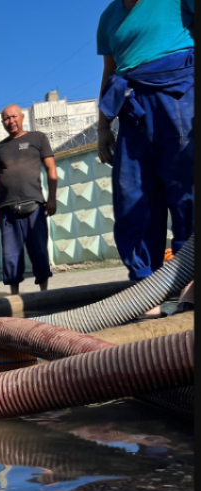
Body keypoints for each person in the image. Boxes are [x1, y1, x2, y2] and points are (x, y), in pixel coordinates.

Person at [96, 0, 194, 285]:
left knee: (187, 191)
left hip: (180, 98)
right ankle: (145, 285)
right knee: (132, 197)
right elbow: (109, 70)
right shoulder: (109, 17)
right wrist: (103, 125)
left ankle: (189, 280)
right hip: (133, 111)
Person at [0, 105, 58, 296]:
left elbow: (51, 168)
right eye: (6, 119)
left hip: (34, 206)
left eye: (14, 117)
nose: (11, 121)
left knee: (39, 252)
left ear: (22, 117)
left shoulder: (37, 138)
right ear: (2, 123)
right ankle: (15, 298)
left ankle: (44, 295)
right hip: (7, 211)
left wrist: (52, 198)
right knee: (11, 256)